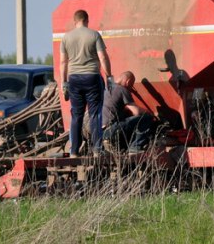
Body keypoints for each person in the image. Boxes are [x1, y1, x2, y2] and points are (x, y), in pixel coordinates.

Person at [60, 9, 112, 156]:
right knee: (95, 114)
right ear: (87, 20)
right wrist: (109, 77)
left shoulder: (66, 38)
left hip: (74, 79)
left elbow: (63, 62)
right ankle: (97, 150)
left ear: (74, 21)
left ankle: (74, 151)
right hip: (92, 77)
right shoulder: (94, 35)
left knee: (77, 115)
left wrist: (64, 83)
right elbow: (103, 58)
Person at [102, 71, 159, 152]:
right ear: (128, 82)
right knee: (147, 118)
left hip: (100, 131)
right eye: (131, 85)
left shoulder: (107, 87)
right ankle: (135, 146)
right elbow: (136, 112)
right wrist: (151, 113)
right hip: (112, 131)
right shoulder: (122, 89)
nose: (131, 89)